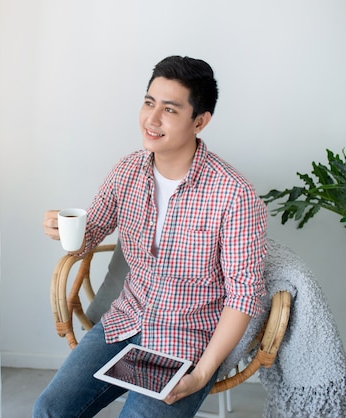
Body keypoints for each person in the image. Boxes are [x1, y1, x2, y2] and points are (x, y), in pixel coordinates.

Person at [36, 56, 268, 417]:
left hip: (185, 339)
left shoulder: (235, 195)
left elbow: (244, 293)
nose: (152, 119)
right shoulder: (127, 170)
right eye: (149, 103)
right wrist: (63, 230)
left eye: (170, 110)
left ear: (200, 121)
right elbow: (93, 231)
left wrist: (202, 372)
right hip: (125, 320)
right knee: (49, 409)